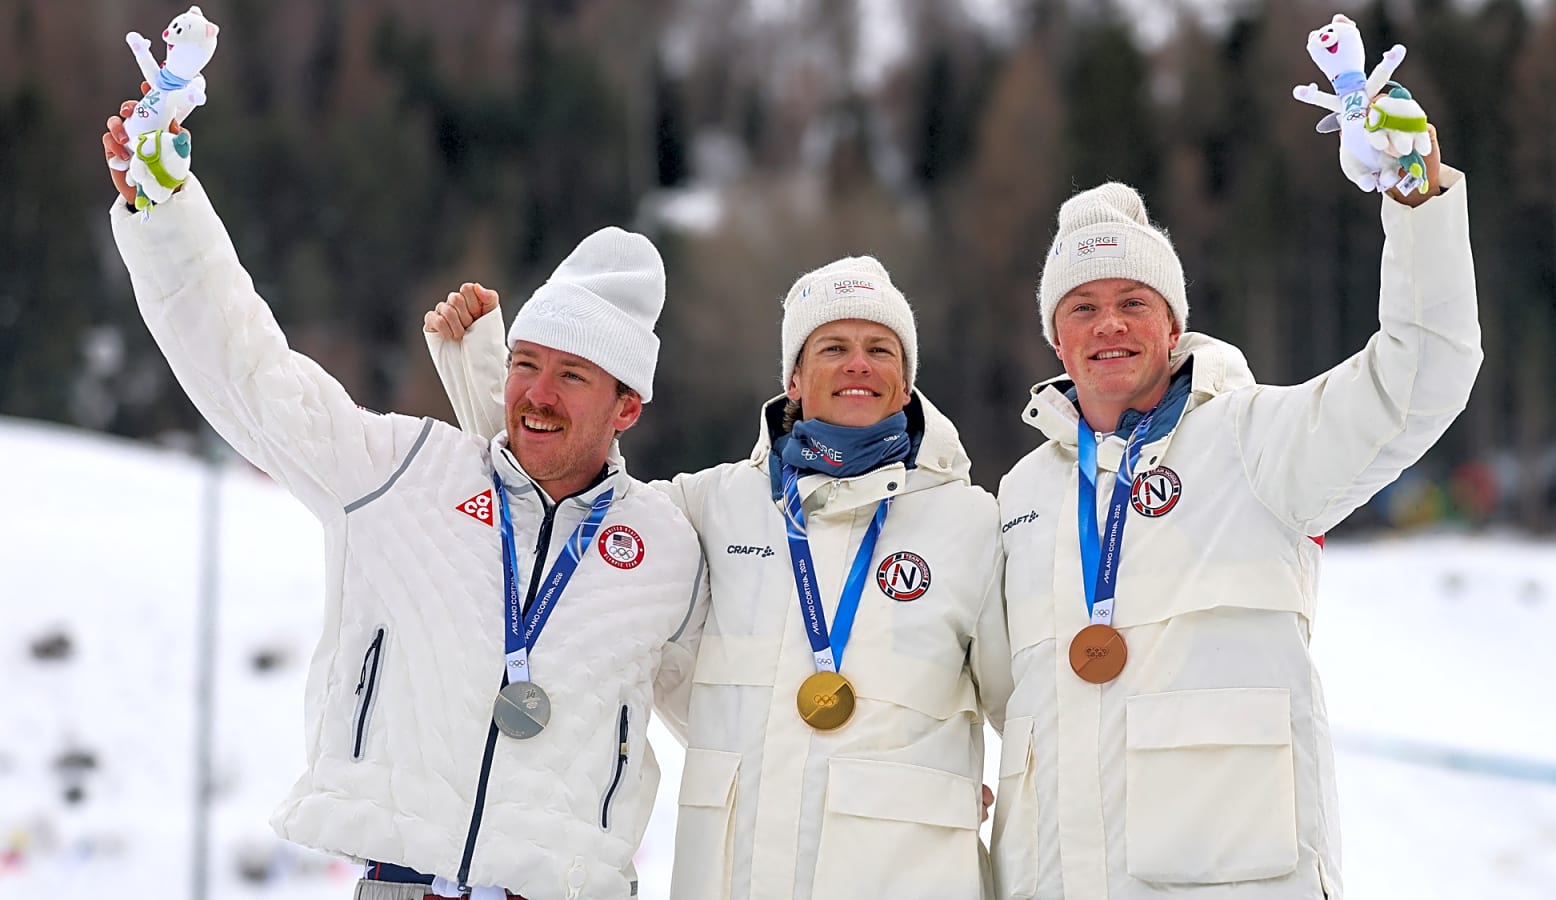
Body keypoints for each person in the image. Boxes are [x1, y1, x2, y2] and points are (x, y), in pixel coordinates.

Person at [103, 105, 707, 900]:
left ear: (627, 407)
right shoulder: (407, 471)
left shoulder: (666, 551)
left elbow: (736, 722)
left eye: (573, 375)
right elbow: (251, 374)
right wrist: (165, 210)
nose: (535, 393)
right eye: (525, 362)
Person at [988, 120, 1480, 899]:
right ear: (1055, 336)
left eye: (1132, 302)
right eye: (1082, 307)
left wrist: (1416, 199)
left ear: (1174, 325)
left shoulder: (1254, 438)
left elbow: (1417, 379)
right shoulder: (1022, 492)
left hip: (1239, 880)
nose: (1108, 324)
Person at [427, 257, 1013, 899]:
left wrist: (958, 790)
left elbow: (1033, 710)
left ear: (906, 386)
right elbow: (571, 504)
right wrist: (482, 372)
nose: (858, 364)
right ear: (793, 379)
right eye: (833, 347)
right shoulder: (711, 507)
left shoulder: (973, 523)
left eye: (880, 349)